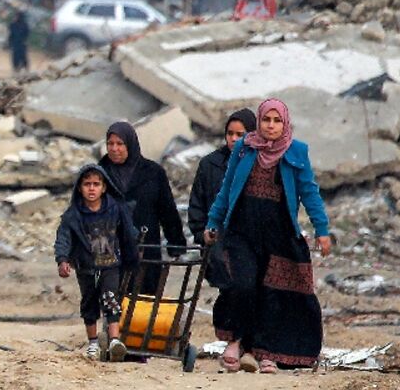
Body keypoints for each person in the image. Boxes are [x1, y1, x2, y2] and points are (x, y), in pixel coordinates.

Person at [204, 98, 331, 373]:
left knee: (272, 293)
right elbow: (227, 189)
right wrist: (213, 221)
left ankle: (264, 352)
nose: (271, 126)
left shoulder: (296, 151)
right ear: (259, 122)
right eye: (266, 120)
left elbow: (309, 192)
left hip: (278, 234)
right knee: (243, 284)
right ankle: (237, 341)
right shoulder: (244, 148)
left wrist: (322, 230)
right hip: (242, 231)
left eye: (277, 121)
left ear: (285, 124)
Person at [54, 164, 139, 361]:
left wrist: (133, 251)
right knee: (89, 303)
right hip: (85, 267)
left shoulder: (115, 209)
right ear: (79, 188)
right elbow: (63, 239)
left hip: (110, 264)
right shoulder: (72, 215)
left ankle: (114, 340)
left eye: (96, 184)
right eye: (87, 184)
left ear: (104, 187)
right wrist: (62, 260)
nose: (91, 188)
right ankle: (93, 342)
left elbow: (127, 233)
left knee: (111, 298)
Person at [98, 121, 186, 294]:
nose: (114, 149)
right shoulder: (99, 173)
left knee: (145, 300)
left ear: (130, 144)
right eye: (110, 144)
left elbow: (167, 210)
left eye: (120, 144)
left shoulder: (153, 172)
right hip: (111, 249)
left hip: (147, 248)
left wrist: (176, 243)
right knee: (115, 303)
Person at [187, 109, 256, 246]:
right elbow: (197, 205)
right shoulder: (210, 164)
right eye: (230, 133)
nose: (234, 139)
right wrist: (203, 235)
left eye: (240, 134)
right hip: (216, 247)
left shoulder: (262, 165)